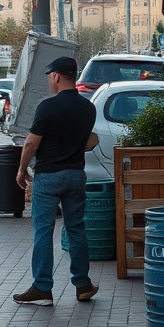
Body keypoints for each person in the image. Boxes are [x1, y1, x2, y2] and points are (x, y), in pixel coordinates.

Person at [13, 56, 100, 306]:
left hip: (49, 177)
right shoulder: (88, 108)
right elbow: (88, 141)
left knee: (43, 231)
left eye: (50, 77)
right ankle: (83, 285)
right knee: (76, 230)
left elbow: (31, 143)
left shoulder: (48, 107)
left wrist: (21, 170)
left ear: (56, 77)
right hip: (76, 176)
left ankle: (42, 287)